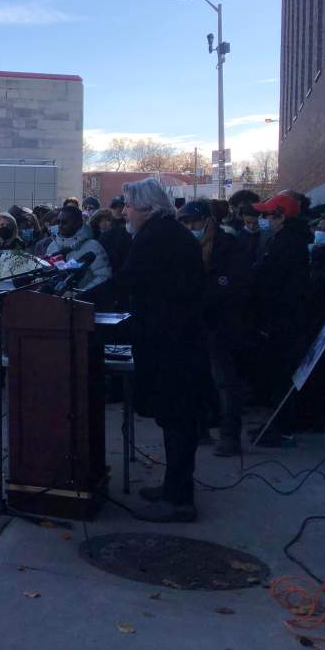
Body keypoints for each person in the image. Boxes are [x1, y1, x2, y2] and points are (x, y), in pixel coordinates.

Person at [118, 178, 206, 522]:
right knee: (175, 419)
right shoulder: (166, 233)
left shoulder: (156, 237)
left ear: (146, 207)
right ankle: (173, 489)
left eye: (128, 205)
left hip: (172, 344)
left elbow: (131, 280)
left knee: (178, 419)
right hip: (176, 339)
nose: (124, 211)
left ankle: (179, 500)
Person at [176, 201, 251, 457]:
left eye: (193, 222)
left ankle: (229, 435)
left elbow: (235, 283)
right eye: (185, 223)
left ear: (208, 220)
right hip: (196, 323)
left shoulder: (228, 245)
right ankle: (201, 427)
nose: (190, 227)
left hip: (222, 323)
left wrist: (208, 295)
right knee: (196, 379)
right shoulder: (186, 248)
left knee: (225, 382)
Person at [249, 193, 314, 423]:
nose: (263, 218)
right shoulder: (283, 239)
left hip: (284, 317)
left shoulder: (288, 243)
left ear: (281, 216)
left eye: (267, 214)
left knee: (283, 371)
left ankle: (284, 423)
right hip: (282, 315)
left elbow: (272, 278)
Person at [46, 205, 113, 305]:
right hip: (56, 305)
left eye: (65, 222)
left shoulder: (93, 246)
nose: (60, 225)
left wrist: (80, 294)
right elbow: (47, 274)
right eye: (58, 222)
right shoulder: (52, 247)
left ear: (78, 223)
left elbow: (104, 276)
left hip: (86, 304)